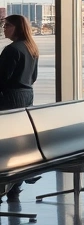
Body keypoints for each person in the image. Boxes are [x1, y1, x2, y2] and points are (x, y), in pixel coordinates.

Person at [0, 15, 40, 201]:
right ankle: (16, 187)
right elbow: (33, 77)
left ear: (17, 28)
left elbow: (2, 78)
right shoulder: (31, 48)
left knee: (5, 143)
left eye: (7, 25)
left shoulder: (11, 50)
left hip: (10, 97)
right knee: (17, 142)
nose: (4, 28)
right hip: (26, 96)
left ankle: (4, 187)